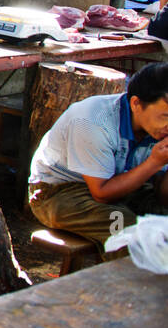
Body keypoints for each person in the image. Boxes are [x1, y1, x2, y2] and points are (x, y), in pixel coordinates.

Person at [28, 62, 168, 254]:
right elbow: (101, 194)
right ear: (136, 104)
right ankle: (122, 283)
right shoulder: (92, 121)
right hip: (60, 192)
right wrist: (155, 162)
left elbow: (162, 194)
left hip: (127, 184)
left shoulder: (157, 128)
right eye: (165, 116)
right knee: (131, 233)